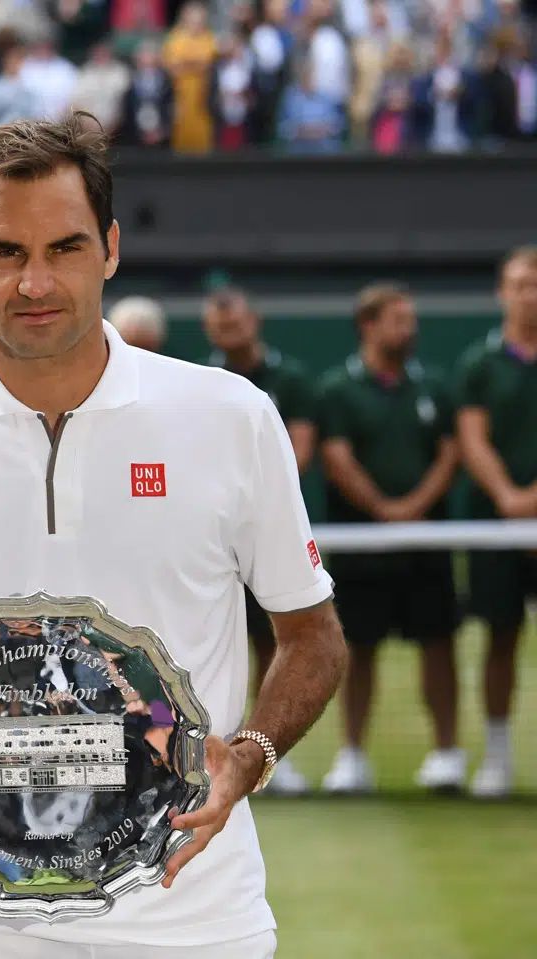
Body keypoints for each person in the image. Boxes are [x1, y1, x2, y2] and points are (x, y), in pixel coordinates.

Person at [0, 116, 347, 958]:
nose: (36, 282)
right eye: (6, 252)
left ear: (109, 249)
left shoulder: (233, 418)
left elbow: (311, 635)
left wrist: (246, 755)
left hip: (202, 921)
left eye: (64, 248)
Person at [315, 284, 463, 794]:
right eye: (398, 318)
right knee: (358, 647)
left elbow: (449, 453)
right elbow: (335, 456)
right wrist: (383, 510)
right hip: (363, 549)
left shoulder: (436, 387)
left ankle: (448, 754)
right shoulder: (337, 389)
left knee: (440, 644)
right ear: (368, 325)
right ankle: (352, 757)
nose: (409, 327)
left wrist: (413, 509)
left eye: (412, 318)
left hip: (426, 544)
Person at [202, 285, 317, 795]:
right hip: (213, 539)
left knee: (281, 639)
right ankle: (209, 753)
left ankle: (271, 752)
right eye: (220, 324)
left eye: (237, 321)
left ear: (257, 319)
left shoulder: (291, 379)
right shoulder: (198, 385)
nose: (230, 330)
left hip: (273, 531)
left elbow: (297, 455)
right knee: (217, 645)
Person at [454, 244, 537, 799]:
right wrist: (510, 497)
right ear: (502, 293)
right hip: (495, 525)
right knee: (499, 639)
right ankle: (498, 759)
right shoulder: (478, 365)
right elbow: (472, 438)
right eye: (520, 284)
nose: (529, 294)